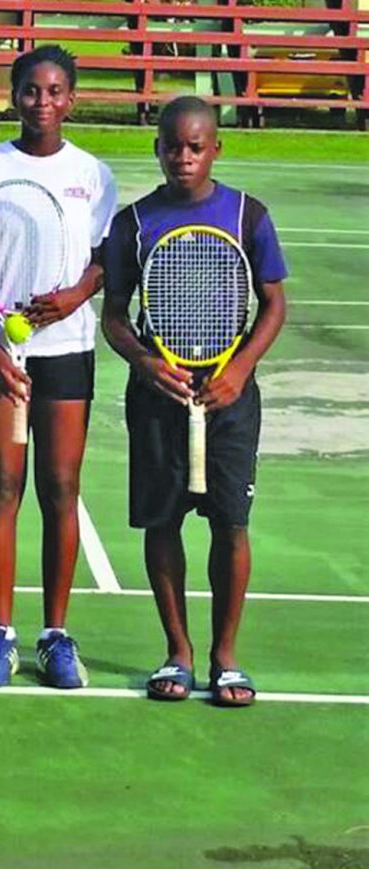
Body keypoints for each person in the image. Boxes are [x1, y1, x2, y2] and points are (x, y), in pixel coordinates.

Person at [101, 95, 287, 707]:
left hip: (229, 396)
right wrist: (145, 361)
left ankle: (225, 656)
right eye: (172, 146)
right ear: (157, 148)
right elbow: (115, 316)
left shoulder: (247, 216)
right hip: (159, 396)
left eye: (196, 146)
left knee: (232, 523)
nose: (183, 157)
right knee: (163, 521)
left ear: (216, 149)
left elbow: (274, 304)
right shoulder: (133, 223)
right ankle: (177, 652)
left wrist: (240, 368)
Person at [0, 45, 117, 689]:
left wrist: (77, 295)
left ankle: (55, 635)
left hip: (68, 351)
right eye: (30, 90)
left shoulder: (93, 175)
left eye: (54, 91)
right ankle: (0, 635)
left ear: (71, 99)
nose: (42, 103)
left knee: (60, 490)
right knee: (2, 487)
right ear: (13, 95)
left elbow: (104, 257)